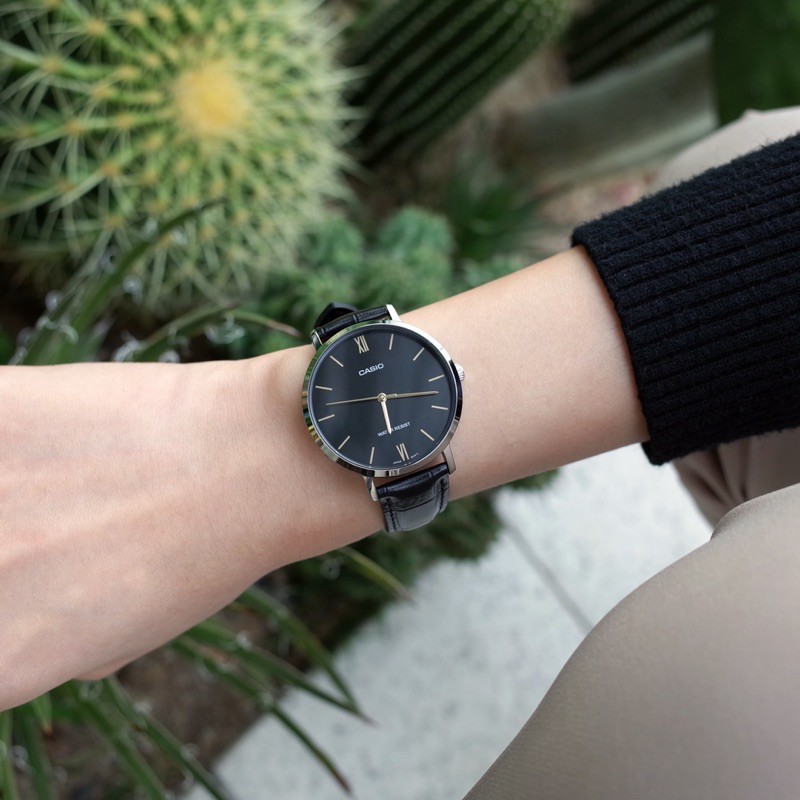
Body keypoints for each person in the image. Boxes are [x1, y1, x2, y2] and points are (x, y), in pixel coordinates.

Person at [1, 108, 799, 799]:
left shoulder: (423, 402)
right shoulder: (414, 382)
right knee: (732, 156)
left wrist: (233, 471)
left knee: (720, 693)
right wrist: (231, 433)